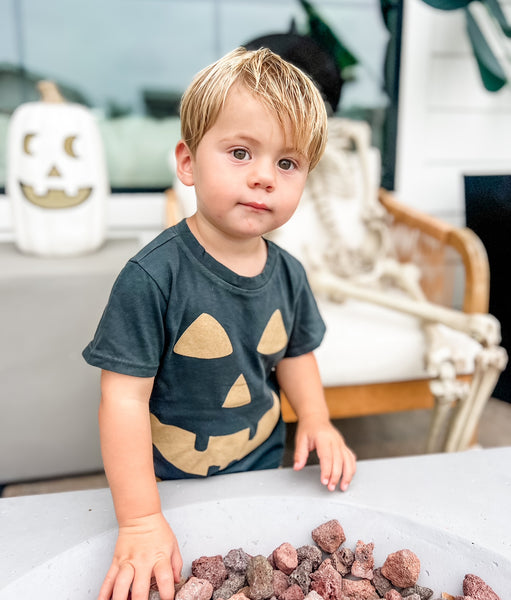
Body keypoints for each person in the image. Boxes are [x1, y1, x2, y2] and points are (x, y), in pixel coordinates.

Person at [83, 46, 357, 600]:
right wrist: (139, 520)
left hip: (260, 462)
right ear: (187, 162)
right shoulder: (152, 278)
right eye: (240, 152)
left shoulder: (289, 274)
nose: (264, 178)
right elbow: (123, 400)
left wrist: (318, 420)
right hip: (168, 481)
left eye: (287, 163)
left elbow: (296, 353)